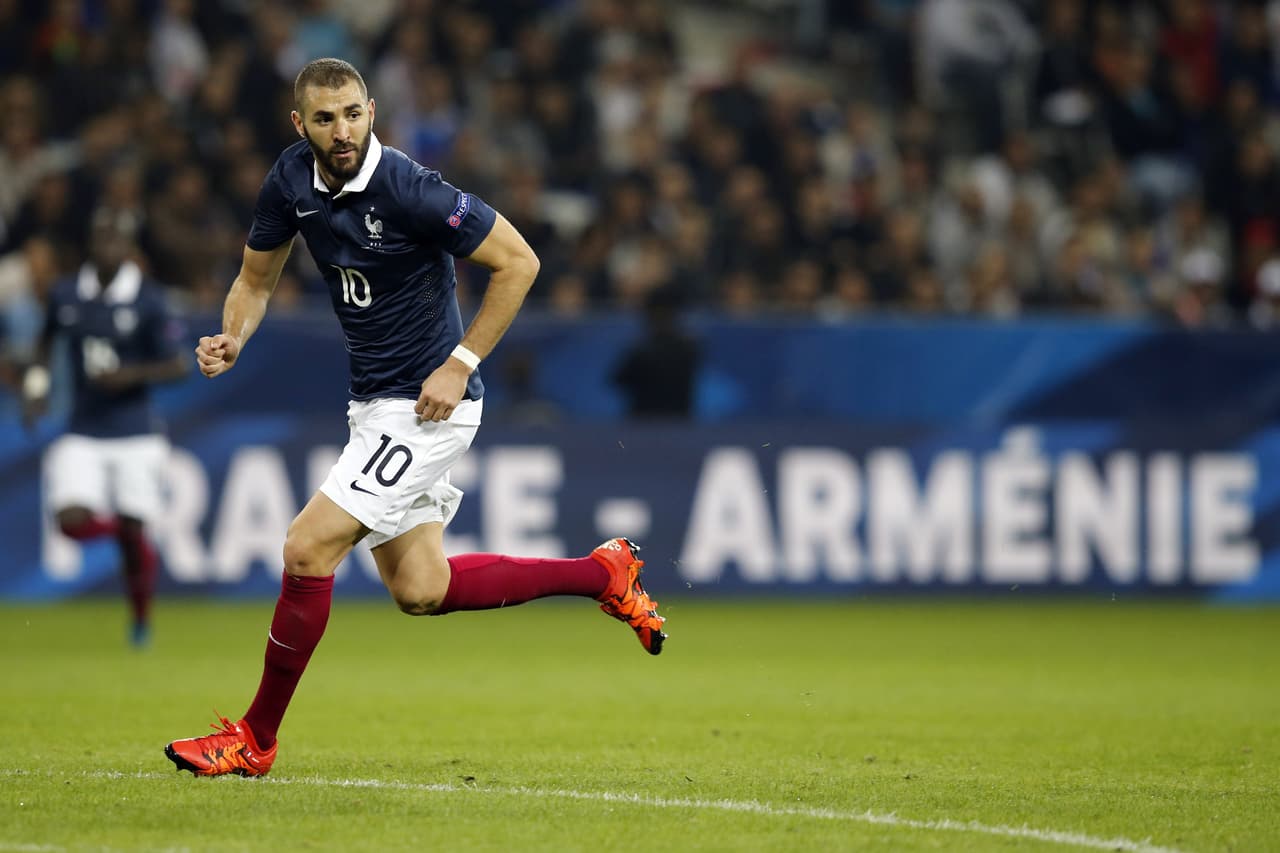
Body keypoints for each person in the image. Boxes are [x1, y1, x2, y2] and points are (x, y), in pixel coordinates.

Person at [164, 58, 667, 778]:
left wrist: (459, 362)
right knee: (421, 589)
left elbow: (518, 262)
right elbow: (253, 278)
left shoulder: (408, 187)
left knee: (307, 549)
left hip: (429, 405)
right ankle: (603, 574)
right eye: (327, 118)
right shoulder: (289, 180)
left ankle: (255, 738)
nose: (343, 132)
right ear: (299, 122)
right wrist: (234, 335)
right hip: (374, 405)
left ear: (373, 109)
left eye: (354, 114)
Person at [21, 207, 188, 647]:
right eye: (100, 238)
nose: (106, 247)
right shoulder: (66, 293)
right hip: (84, 428)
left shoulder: (148, 299)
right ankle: (124, 532)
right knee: (70, 521)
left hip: (136, 432)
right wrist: (37, 388)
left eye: (115, 239)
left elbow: (178, 365)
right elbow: (44, 344)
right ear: (91, 243)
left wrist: (130, 375)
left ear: (128, 247)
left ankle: (140, 620)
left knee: (134, 540)